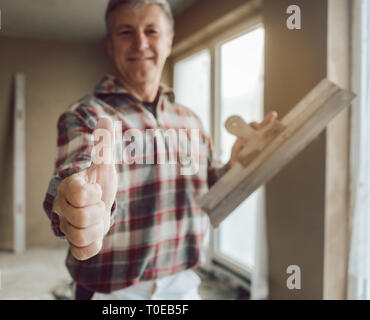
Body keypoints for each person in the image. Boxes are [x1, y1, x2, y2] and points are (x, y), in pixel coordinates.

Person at [43, 0, 277, 300]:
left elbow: (210, 189)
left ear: (169, 41)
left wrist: (236, 164)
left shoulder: (190, 119)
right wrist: (76, 200)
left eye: (151, 31)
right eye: (126, 32)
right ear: (110, 44)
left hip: (182, 284)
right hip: (112, 292)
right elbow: (76, 170)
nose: (140, 43)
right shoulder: (86, 115)